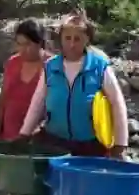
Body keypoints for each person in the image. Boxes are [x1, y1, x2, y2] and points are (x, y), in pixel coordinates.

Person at [17, 11, 129, 157]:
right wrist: (25, 133)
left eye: (77, 39)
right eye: (67, 38)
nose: (71, 44)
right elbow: (38, 102)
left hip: (90, 145)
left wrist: (120, 143)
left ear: (86, 39)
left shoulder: (100, 67)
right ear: (61, 39)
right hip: (54, 142)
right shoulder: (51, 67)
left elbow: (117, 103)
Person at [0, 19, 49, 141]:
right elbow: (2, 101)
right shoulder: (12, 63)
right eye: (19, 44)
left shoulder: (51, 65)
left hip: (38, 140)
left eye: (27, 44)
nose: (22, 49)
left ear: (40, 43)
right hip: (9, 137)